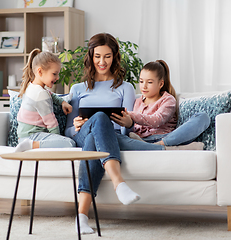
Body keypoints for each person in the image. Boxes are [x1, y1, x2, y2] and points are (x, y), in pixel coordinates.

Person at [64, 33, 166, 234]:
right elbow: (68, 132)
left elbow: (125, 130)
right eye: (97, 56)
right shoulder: (77, 89)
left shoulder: (124, 88)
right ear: (91, 57)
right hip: (81, 136)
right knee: (99, 120)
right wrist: (75, 125)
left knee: (95, 137)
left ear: (115, 57)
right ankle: (119, 184)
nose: (102, 62)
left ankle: (82, 217)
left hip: (107, 138)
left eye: (107, 56)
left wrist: (128, 123)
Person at [111, 60, 210, 150]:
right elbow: (132, 131)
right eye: (141, 81)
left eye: (149, 82)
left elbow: (157, 120)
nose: (144, 86)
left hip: (165, 137)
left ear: (161, 84)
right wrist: (128, 123)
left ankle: (160, 145)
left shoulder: (168, 100)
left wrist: (131, 115)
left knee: (203, 117)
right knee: (112, 136)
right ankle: (157, 148)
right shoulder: (137, 101)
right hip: (139, 140)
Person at [15, 48, 76, 152]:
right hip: (33, 136)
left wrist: (62, 102)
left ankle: (29, 144)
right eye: (54, 74)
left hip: (24, 135)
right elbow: (51, 123)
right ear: (40, 71)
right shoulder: (40, 94)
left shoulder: (33, 86)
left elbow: (50, 94)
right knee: (70, 143)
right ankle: (30, 145)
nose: (57, 77)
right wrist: (58, 140)